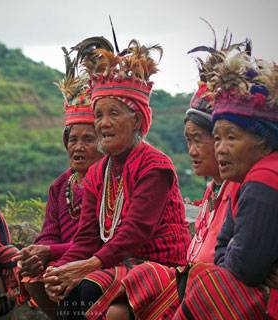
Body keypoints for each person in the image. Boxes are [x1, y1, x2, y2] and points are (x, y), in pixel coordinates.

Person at [42, 38, 191, 320]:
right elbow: (87, 237)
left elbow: (135, 232)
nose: (103, 123)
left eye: (113, 113)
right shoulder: (99, 172)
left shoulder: (155, 166)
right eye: (98, 115)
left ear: (137, 120)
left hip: (160, 265)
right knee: (64, 289)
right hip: (119, 262)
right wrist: (59, 269)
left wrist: (86, 267)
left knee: (86, 288)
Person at [105, 31, 246, 320]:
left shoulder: (238, 189)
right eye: (188, 140)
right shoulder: (212, 191)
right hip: (191, 286)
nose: (193, 150)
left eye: (200, 139)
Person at [173, 54, 278, 319]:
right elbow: (224, 249)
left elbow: (244, 269)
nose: (221, 148)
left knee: (211, 288)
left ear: (264, 141)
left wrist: (241, 262)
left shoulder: (265, 178)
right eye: (217, 138)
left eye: (231, 137)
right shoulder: (243, 181)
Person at [12, 47, 103, 319]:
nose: (79, 147)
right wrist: (35, 253)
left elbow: (96, 242)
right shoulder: (60, 186)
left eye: (89, 139)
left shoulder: (109, 182)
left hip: (93, 260)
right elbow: (48, 235)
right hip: (64, 258)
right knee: (30, 275)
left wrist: (48, 251)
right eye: (73, 139)